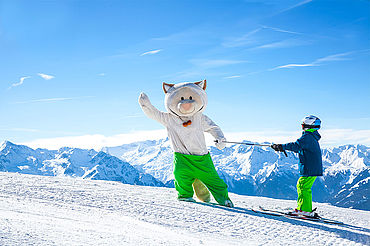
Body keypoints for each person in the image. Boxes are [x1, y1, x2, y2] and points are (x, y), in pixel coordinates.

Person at [271, 115, 323, 216]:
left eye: (303, 125)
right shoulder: (312, 136)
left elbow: (296, 145)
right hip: (312, 167)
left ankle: (304, 210)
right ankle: (304, 208)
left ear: (308, 126)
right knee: (303, 186)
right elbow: (300, 147)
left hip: (310, 167)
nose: (302, 127)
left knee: (302, 186)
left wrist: (281, 147)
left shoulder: (307, 136)